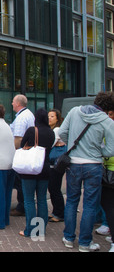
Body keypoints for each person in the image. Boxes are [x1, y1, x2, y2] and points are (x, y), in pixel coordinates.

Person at [59, 91, 114, 252]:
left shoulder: (75, 111)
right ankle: (84, 243)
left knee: (71, 201)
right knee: (89, 204)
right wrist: (98, 152)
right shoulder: (107, 121)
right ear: (108, 108)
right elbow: (111, 149)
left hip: (74, 164)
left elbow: (62, 132)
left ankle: (68, 238)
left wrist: (72, 146)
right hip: (94, 165)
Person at [17, 108, 55, 238]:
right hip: (45, 168)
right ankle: (41, 229)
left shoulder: (32, 130)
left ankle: (30, 230)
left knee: (29, 200)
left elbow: (22, 145)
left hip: (30, 168)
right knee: (42, 199)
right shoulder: (51, 132)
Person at [10, 94, 35, 216]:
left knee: (19, 182)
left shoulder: (21, 118)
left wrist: (14, 153)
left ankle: (21, 207)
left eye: (13, 102)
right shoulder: (29, 114)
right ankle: (24, 204)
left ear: (18, 104)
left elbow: (18, 138)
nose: (12, 104)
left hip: (21, 153)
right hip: (28, 152)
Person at [47, 109, 66, 222]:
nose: (49, 118)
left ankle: (59, 213)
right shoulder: (52, 130)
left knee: (54, 188)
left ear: (57, 119)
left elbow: (50, 144)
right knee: (53, 188)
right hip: (55, 163)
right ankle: (56, 212)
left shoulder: (57, 130)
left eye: (52, 116)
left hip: (56, 164)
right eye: (48, 116)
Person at [100, 109, 114, 252]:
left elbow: (108, 151)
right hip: (108, 170)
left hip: (110, 171)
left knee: (109, 204)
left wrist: (102, 154)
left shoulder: (109, 129)